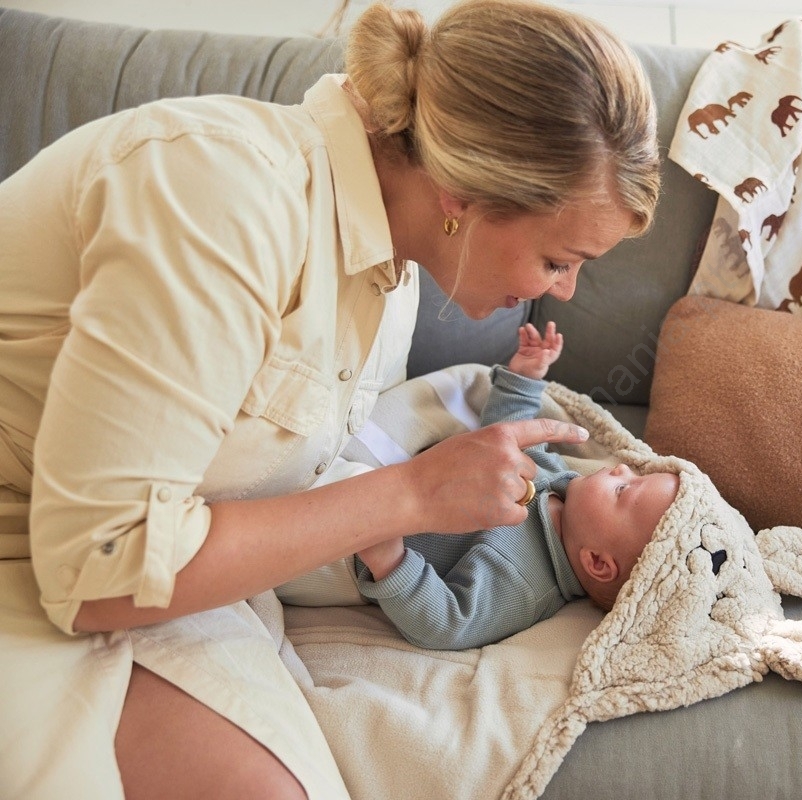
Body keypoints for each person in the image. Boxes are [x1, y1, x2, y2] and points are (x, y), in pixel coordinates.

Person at [0, 0, 660, 797]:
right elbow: (99, 568)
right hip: (61, 555)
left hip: (161, 568)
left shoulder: (391, 271)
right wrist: (410, 495)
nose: (565, 291)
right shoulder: (223, 200)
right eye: (558, 260)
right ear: (463, 194)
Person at [353, 322, 680, 649]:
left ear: (596, 562)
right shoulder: (555, 476)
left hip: (358, 542)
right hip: (394, 475)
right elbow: (506, 438)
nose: (623, 469)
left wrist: (390, 561)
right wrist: (523, 380)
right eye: (635, 475)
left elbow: (450, 624)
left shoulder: (522, 582)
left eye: (623, 490)